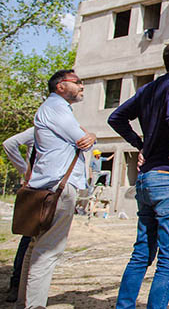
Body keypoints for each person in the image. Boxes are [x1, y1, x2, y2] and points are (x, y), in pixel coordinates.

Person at [108, 40, 169, 309]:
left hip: (147, 179)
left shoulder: (149, 88)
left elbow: (116, 118)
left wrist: (141, 145)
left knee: (141, 254)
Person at [16, 70, 97, 308]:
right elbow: (82, 140)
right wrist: (90, 136)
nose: (82, 86)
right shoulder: (56, 108)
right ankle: (34, 305)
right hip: (58, 188)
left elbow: (84, 138)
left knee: (35, 248)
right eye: (77, 82)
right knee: (48, 251)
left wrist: (90, 135)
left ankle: (24, 302)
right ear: (60, 86)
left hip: (47, 186)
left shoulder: (53, 109)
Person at [2, 127, 34, 303]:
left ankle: (27, 286)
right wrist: (25, 171)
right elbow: (9, 144)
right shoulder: (38, 129)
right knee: (28, 238)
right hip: (34, 189)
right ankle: (16, 284)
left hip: (51, 190)